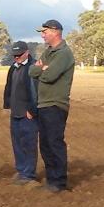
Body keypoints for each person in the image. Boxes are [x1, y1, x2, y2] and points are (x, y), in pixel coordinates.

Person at [31, 19, 75, 193]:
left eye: (45, 32)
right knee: (45, 144)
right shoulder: (48, 52)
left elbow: (50, 76)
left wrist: (42, 70)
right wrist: (42, 69)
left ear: (56, 31)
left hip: (56, 104)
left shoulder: (64, 53)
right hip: (43, 104)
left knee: (54, 143)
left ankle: (59, 182)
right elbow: (31, 72)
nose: (42, 35)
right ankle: (51, 180)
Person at [3, 41, 39, 184]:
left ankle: (29, 174)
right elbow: (9, 86)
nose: (16, 58)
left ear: (26, 53)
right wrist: (8, 104)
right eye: (14, 55)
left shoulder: (33, 67)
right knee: (17, 143)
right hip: (15, 112)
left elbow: (36, 91)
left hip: (28, 114)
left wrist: (32, 110)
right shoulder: (13, 67)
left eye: (19, 55)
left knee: (29, 144)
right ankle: (21, 170)